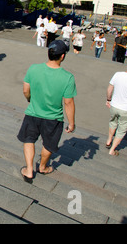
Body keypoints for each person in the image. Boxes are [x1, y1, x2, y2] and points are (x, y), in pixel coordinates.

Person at [17, 40, 76, 183]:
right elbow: (68, 102)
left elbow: (26, 90)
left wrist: (29, 99)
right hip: (54, 118)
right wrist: (71, 123)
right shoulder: (68, 77)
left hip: (33, 113)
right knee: (48, 144)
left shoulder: (33, 69)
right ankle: (43, 167)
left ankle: (29, 170)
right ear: (62, 56)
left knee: (29, 140)